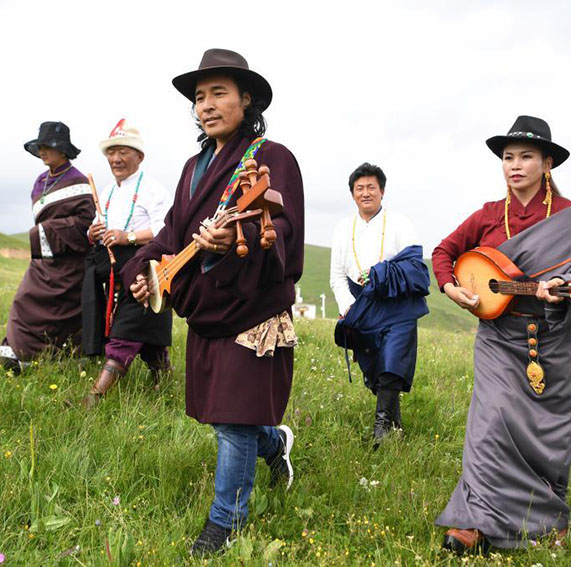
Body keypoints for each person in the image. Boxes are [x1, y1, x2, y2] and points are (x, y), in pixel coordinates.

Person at [120, 49, 304, 556]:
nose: (206, 105)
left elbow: (284, 227)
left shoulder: (273, 157)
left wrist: (236, 244)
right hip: (206, 307)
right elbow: (171, 233)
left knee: (232, 417)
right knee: (229, 415)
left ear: (247, 100)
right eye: (199, 97)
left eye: (218, 93)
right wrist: (144, 270)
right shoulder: (192, 168)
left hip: (251, 306)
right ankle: (276, 443)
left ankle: (225, 523)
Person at [431, 116, 571, 552]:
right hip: (499, 337)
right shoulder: (490, 214)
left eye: (526, 156)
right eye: (508, 157)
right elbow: (444, 252)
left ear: (547, 164)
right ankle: (474, 521)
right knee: (489, 424)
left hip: (553, 342)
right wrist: (451, 288)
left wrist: (563, 292)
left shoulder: (569, 218)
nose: (514, 165)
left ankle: (547, 520)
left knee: (550, 434)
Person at [330, 162, 429, 445]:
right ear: (352, 194)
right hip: (361, 304)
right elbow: (337, 275)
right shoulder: (342, 228)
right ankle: (395, 424)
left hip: (397, 303)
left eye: (371, 187)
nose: (365, 193)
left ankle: (381, 427)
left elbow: (414, 263)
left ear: (382, 191)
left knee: (392, 359)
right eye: (359, 188)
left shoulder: (400, 223)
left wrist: (382, 275)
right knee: (374, 364)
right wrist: (348, 306)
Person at [80, 119, 173, 407]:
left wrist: (127, 236)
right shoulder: (107, 192)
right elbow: (99, 227)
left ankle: (95, 397)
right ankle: (165, 381)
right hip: (113, 271)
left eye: (123, 152)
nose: (116, 159)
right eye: (111, 153)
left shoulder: (154, 190)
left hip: (143, 268)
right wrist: (92, 232)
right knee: (149, 336)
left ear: (139, 156)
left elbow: (165, 231)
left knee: (129, 327)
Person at [0, 121, 94, 373]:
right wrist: (43, 233)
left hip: (70, 264)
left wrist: (47, 230)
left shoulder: (79, 181)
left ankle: (63, 357)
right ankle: (17, 353)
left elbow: (86, 223)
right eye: (40, 146)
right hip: (43, 262)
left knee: (64, 313)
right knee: (23, 301)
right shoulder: (40, 181)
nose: (42, 151)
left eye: (48, 146)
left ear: (63, 150)